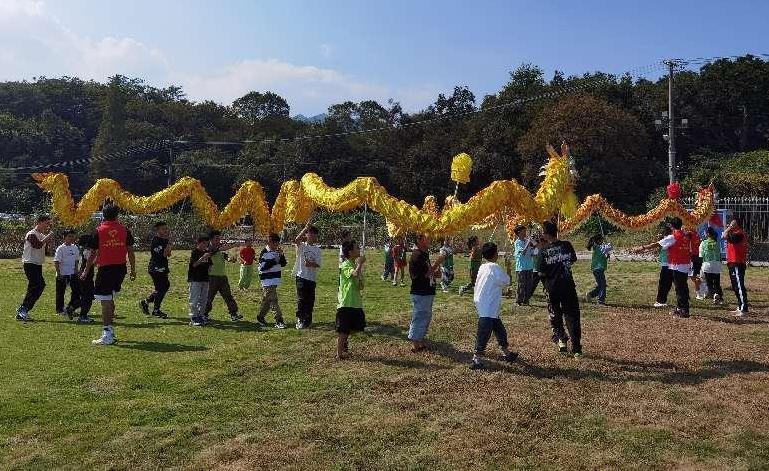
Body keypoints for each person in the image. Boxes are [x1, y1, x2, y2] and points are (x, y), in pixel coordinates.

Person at [81, 205, 136, 345]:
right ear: (117, 215)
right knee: (110, 298)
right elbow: (130, 251)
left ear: (103, 215)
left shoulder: (98, 231)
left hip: (106, 269)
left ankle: (107, 334)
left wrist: (86, 270)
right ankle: (110, 331)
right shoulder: (125, 230)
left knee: (105, 300)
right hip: (121, 269)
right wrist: (133, 269)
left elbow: (92, 254)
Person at [469, 242, 519, 370]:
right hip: (488, 306)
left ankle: (506, 353)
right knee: (484, 332)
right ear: (495, 254)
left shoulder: (483, 267)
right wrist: (508, 266)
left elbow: (490, 284)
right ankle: (476, 359)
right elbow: (508, 281)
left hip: (484, 303)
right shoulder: (495, 268)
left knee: (500, 330)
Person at [538, 220, 582, 358]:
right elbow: (572, 259)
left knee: (555, 315)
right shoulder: (567, 245)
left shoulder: (543, 251)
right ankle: (576, 348)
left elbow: (541, 272)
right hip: (568, 285)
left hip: (552, 288)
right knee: (572, 316)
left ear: (545, 234)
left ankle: (561, 341)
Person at [633, 217, 691, 318]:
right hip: (684, 264)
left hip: (677, 265)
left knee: (680, 289)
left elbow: (657, 244)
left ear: (672, 226)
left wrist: (642, 248)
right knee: (682, 287)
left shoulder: (673, 236)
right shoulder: (685, 235)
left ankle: (684, 310)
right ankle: (680, 308)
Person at [408, 235, 443, 352]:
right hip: (421, 292)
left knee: (425, 317)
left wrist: (436, 273)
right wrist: (437, 263)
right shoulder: (417, 255)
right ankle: (415, 345)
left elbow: (428, 273)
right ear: (419, 240)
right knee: (419, 317)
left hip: (427, 291)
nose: (430, 239)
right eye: (427, 238)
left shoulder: (424, 254)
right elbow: (422, 276)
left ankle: (420, 341)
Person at [17, 215, 54, 321]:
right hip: (30, 264)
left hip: (37, 264)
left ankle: (23, 310)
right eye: (46, 223)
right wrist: (48, 237)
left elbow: (46, 251)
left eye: (48, 223)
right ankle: (23, 309)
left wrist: (49, 243)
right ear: (39, 222)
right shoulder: (31, 234)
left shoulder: (41, 235)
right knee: (38, 285)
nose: (47, 225)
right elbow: (37, 245)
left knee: (35, 286)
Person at [336, 240, 366, 359]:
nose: (359, 250)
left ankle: (344, 342)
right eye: (357, 248)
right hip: (346, 303)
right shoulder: (345, 265)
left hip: (356, 303)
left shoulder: (354, 264)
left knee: (357, 328)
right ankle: (339, 354)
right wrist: (360, 264)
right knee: (343, 331)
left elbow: (361, 285)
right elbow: (354, 274)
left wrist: (360, 279)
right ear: (350, 252)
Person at [204, 230, 242, 322]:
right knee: (209, 297)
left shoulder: (220, 249)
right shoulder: (209, 249)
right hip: (212, 277)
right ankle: (204, 314)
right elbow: (216, 251)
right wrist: (233, 245)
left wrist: (231, 259)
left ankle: (233, 314)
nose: (219, 240)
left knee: (228, 296)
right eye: (216, 239)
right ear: (211, 239)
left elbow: (225, 257)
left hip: (222, 277)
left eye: (219, 239)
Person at [140, 221, 171, 319]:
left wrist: (169, 246)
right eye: (163, 229)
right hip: (156, 268)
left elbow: (169, 254)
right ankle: (156, 310)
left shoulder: (165, 240)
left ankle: (146, 301)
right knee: (161, 288)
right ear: (157, 230)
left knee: (165, 285)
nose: (165, 230)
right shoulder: (156, 241)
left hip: (163, 267)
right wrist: (167, 247)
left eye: (166, 228)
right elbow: (164, 254)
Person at [257, 233, 287, 329]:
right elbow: (262, 267)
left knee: (267, 300)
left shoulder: (277, 251)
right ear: (269, 242)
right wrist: (274, 261)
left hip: (275, 280)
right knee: (273, 300)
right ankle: (279, 320)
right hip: (267, 281)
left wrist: (281, 255)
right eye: (274, 244)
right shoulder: (264, 252)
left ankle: (260, 317)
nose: (276, 246)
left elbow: (283, 263)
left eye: (277, 244)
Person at [294, 223, 321, 329]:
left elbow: (318, 264)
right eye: (310, 233)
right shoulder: (302, 246)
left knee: (310, 300)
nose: (313, 236)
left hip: (311, 278)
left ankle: (308, 320)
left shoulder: (317, 249)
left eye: (315, 234)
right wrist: (305, 228)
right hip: (301, 277)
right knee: (302, 299)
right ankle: (300, 319)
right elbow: (296, 240)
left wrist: (311, 264)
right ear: (307, 234)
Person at [723, 218, 749, 317]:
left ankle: (744, 308)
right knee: (735, 286)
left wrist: (728, 228)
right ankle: (740, 305)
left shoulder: (739, 233)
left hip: (737, 262)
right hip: (732, 262)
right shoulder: (735, 233)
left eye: (732, 223)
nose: (730, 224)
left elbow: (724, 236)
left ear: (737, 224)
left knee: (739, 285)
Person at [54, 229, 81, 316]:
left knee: (76, 291)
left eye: (73, 236)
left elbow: (76, 260)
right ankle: (59, 310)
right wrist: (59, 273)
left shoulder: (75, 247)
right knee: (60, 293)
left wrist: (76, 271)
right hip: (63, 274)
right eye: (69, 236)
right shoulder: (60, 248)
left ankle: (71, 308)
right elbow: (56, 261)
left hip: (72, 274)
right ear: (64, 237)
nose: (71, 238)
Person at [187, 235, 213, 326]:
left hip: (205, 278)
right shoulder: (195, 252)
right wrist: (202, 258)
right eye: (204, 243)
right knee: (194, 298)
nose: (205, 245)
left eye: (207, 244)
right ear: (199, 243)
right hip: (195, 278)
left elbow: (210, 264)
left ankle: (201, 316)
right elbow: (194, 264)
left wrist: (210, 269)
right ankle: (193, 317)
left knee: (203, 299)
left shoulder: (207, 252)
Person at [699, 226, 724, 306]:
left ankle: (714, 295)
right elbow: (719, 254)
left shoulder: (703, 243)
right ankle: (719, 297)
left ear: (707, 234)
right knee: (717, 282)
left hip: (707, 265)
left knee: (709, 283)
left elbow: (701, 255)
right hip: (717, 265)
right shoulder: (717, 243)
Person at [585, 234, 612, 306]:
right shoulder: (597, 247)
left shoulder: (600, 248)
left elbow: (603, 256)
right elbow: (609, 247)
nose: (603, 241)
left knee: (601, 285)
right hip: (598, 269)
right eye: (602, 240)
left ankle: (590, 294)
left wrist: (607, 255)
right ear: (599, 241)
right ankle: (601, 301)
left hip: (598, 269)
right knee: (602, 285)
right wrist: (607, 244)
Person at [75, 234, 95, 323]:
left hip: (83, 275)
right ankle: (83, 316)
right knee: (88, 297)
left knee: (85, 296)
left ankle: (72, 308)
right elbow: (90, 262)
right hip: (86, 276)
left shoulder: (82, 250)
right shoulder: (88, 251)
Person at [513, 225, 535, 305]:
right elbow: (523, 252)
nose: (525, 233)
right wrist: (528, 243)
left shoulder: (527, 241)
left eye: (525, 231)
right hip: (521, 267)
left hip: (529, 266)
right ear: (519, 232)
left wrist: (534, 248)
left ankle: (526, 300)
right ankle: (519, 301)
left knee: (529, 284)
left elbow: (532, 252)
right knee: (521, 284)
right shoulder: (517, 242)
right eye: (524, 231)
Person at [688, 229, 704, 299]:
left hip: (693, 258)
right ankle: (702, 291)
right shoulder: (696, 233)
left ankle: (699, 293)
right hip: (698, 257)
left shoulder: (690, 233)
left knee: (694, 277)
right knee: (697, 276)